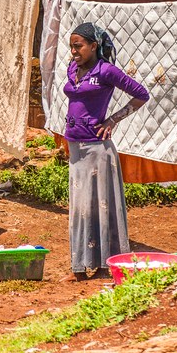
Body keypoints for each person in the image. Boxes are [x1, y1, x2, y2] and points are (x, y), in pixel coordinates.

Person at [60, 22, 149, 283]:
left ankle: (102, 267)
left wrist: (112, 120)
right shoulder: (73, 68)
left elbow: (141, 94)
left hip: (98, 149)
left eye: (79, 46)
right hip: (76, 147)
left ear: (93, 46)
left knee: (101, 207)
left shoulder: (106, 71)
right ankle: (78, 266)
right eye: (72, 46)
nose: (74, 51)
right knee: (79, 208)